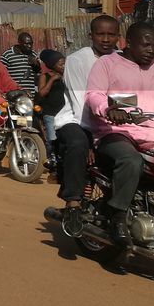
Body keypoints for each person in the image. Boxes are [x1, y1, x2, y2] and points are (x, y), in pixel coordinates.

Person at [84, 22, 154, 242]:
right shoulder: (108, 63)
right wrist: (109, 109)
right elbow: (94, 94)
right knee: (130, 161)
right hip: (117, 132)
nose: (151, 50)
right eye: (146, 45)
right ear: (128, 43)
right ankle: (118, 215)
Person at [53, 15, 120, 218]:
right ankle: (73, 201)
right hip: (77, 118)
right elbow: (80, 101)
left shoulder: (122, 60)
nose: (106, 39)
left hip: (111, 120)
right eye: (101, 34)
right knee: (78, 144)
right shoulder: (77, 60)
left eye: (111, 34)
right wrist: (92, 138)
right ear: (91, 35)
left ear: (119, 36)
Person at [36, 49, 65, 168]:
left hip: (63, 113)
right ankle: (51, 160)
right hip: (50, 113)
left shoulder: (66, 76)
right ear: (52, 65)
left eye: (64, 63)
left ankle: (60, 160)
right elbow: (42, 93)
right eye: (60, 64)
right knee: (51, 139)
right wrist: (52, 80)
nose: (63, 66)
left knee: (62, 138)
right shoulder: (45, 76)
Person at [0, 31, 39, 96]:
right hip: (14, 94)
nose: (29, 46)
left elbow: (39, 74)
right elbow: (2, 76)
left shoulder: (33, 54)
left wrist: (36, 64)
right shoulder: (7, 55)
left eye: (31, 43)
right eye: (26, 44)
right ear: (19, 43)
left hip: (30, 95)